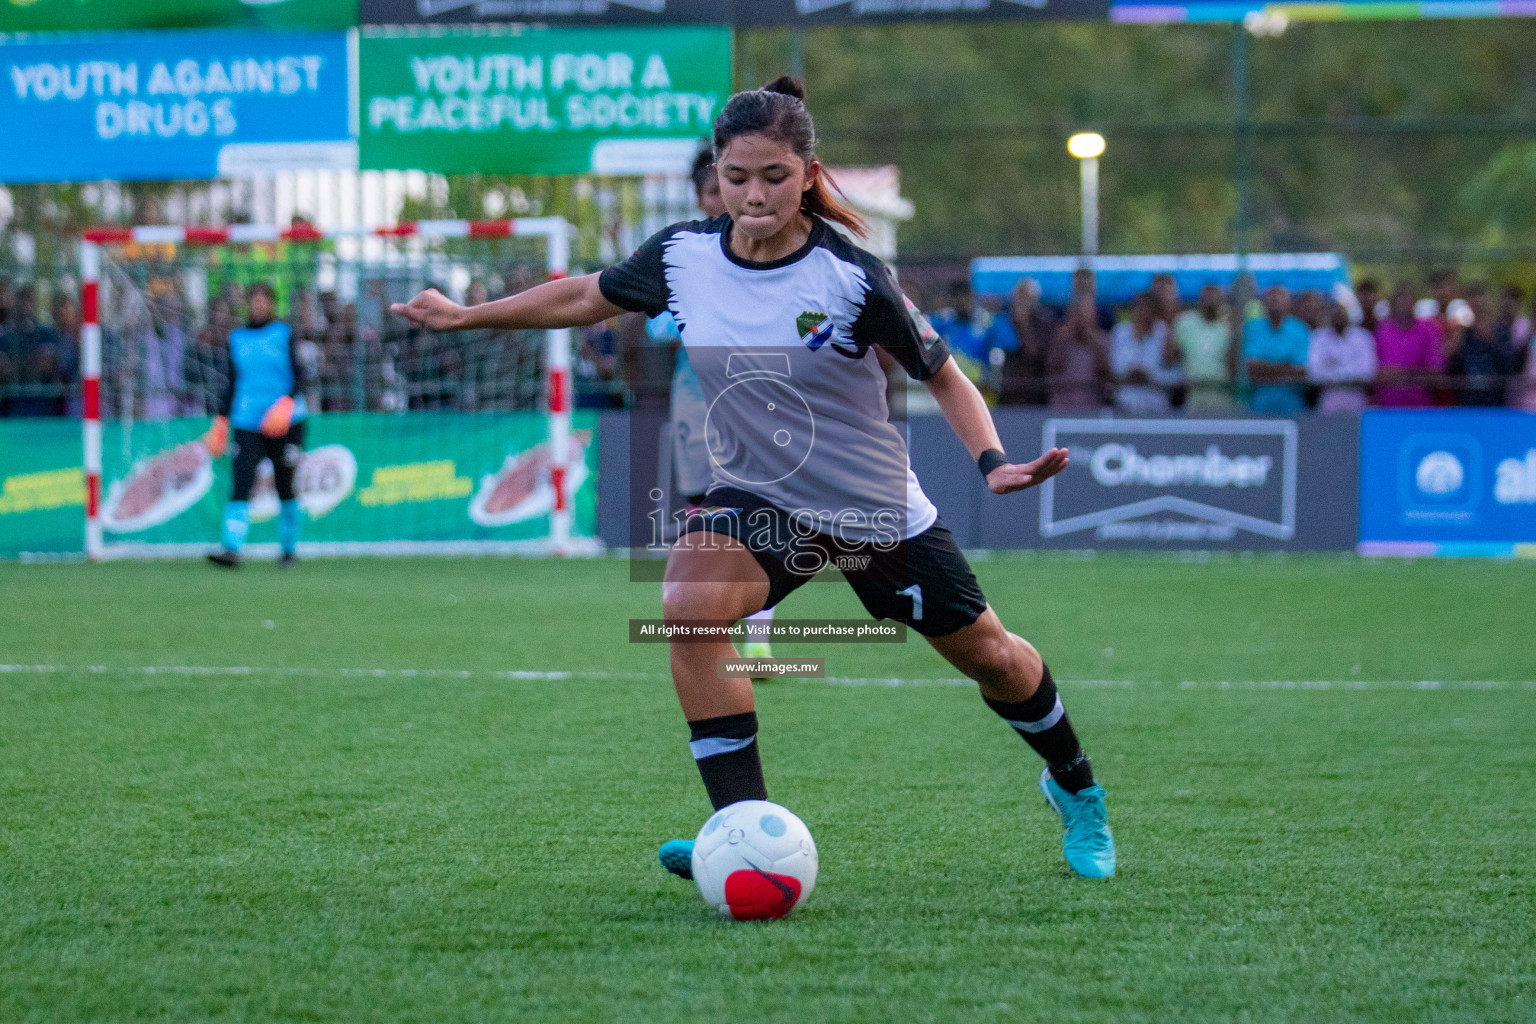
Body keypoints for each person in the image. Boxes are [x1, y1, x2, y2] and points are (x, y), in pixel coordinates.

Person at [391, 76, 1116, 881]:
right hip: (761, 499)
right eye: (737, 178)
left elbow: (942, 372)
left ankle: (1077, 786)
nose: (755, 194)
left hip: (874, 510)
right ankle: (738, 828)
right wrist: (464, 314)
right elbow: (585, 296)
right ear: (716, 178)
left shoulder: (850, 276)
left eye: (774, 176)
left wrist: (994, 463)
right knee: (689, 608)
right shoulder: (682, 256)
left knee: (993, 658)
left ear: (808, 173)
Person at [202, 282, 309, 568]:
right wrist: (221, 420)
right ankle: (231, 549)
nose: (260, 305)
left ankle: (289, 550)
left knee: (285, 483)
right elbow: (232, 381)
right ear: (248, 304)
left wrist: (286, 403)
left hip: (285, 421)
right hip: (248, 420)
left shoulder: (284, 333)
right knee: (241, 482)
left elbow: (301, 375)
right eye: (255, 300)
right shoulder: (236, 338)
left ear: (273, 304)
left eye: (265, 300)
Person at [1446, 283, 1520, 407]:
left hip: (1496, 400)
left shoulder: (1502, 331)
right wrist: (1453, 348)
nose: (1478, 302)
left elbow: (1510, 364)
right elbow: (1452, 369)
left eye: (1481, 295)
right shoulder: (1463, 333)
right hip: (1468, 400)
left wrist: (1492, 340)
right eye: (1473, 297)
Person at [1110, 291, 1182, 415]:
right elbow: (1112, 368)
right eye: (1140, 307)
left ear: (1156, 311)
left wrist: (1150, 375)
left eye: (1148, 307)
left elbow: (1176, 375)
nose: (1144, 312)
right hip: (1125, 404)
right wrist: (1129, 373)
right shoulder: (1120, 332)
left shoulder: (1165, 334)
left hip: (1156, 406)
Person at [983, 278, 1052, 406]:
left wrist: (1024, 324)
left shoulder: (1044, 323)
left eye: (1026, 297)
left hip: (1035, 395)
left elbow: (1035, 353)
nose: (1022, 302)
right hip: (1007, 393)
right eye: (1019, 296)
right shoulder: (1005, 321)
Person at [1242, 286, 1310, 415]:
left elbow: (1301, 370)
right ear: (1264, 302)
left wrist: (1265, 369)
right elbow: (1251, 367)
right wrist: (1285, 367)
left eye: (1280, 297)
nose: (1275, 300)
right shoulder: (1253, 328)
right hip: (1259, 402)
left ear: (1289, 303)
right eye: (1271, 297)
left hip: (1291, 403)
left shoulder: (1300, 329)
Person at [1374, 283, 1444, 408]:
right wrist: (1412, 374)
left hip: (1420, 407)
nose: (1405, 303)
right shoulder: (1383, 330)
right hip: (1387, 407)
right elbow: (1376, 372)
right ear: (1393, 303)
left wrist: (1401, 374)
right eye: (1401, 299)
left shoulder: (1428, 330)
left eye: (1409, 298)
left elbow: (1436, 371)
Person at [1307, 299, 1377, 413]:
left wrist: (1334, 369)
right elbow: (1315, 371)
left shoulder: (1362, 337)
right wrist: (1347, 371)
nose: (1339, 317)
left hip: (1356, 395)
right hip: (1328, 396)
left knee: (1355, 428)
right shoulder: (1318, 337)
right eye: (1335, 314)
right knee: (1328, 428)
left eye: (1342, 313)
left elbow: (1368, 370)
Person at [1173, 284, 1235, 412]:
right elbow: (1173, 354)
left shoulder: (1229, 325)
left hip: (1220, 391)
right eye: (1207, 297)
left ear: (1222, 300)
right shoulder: (1185, 322)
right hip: (1193, 391)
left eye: (1214, 297)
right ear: (1199, 300)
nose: (1210, 301)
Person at [1047, 300, 1112, 410]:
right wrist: (1064, 339)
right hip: (1062, 406)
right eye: (1077, 315)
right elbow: (1052, 368)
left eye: (1085, 315)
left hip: (1092, 406)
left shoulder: (1103, 340)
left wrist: (1092, 343)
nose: (1081, 320)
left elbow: (1105, 373)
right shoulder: (1060, 339)